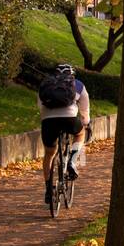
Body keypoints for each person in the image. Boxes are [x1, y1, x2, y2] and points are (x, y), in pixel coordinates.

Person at [39, 63, 89, 205]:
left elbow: (40, 106)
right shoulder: (78, 84)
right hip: (69, 120)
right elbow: (85, 112)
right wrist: (86, 122)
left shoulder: (45, 84)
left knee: (49, 153)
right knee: (80, 134)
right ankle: (72, 161)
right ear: (72, 74)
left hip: (48, 122)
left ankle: (49, 189)